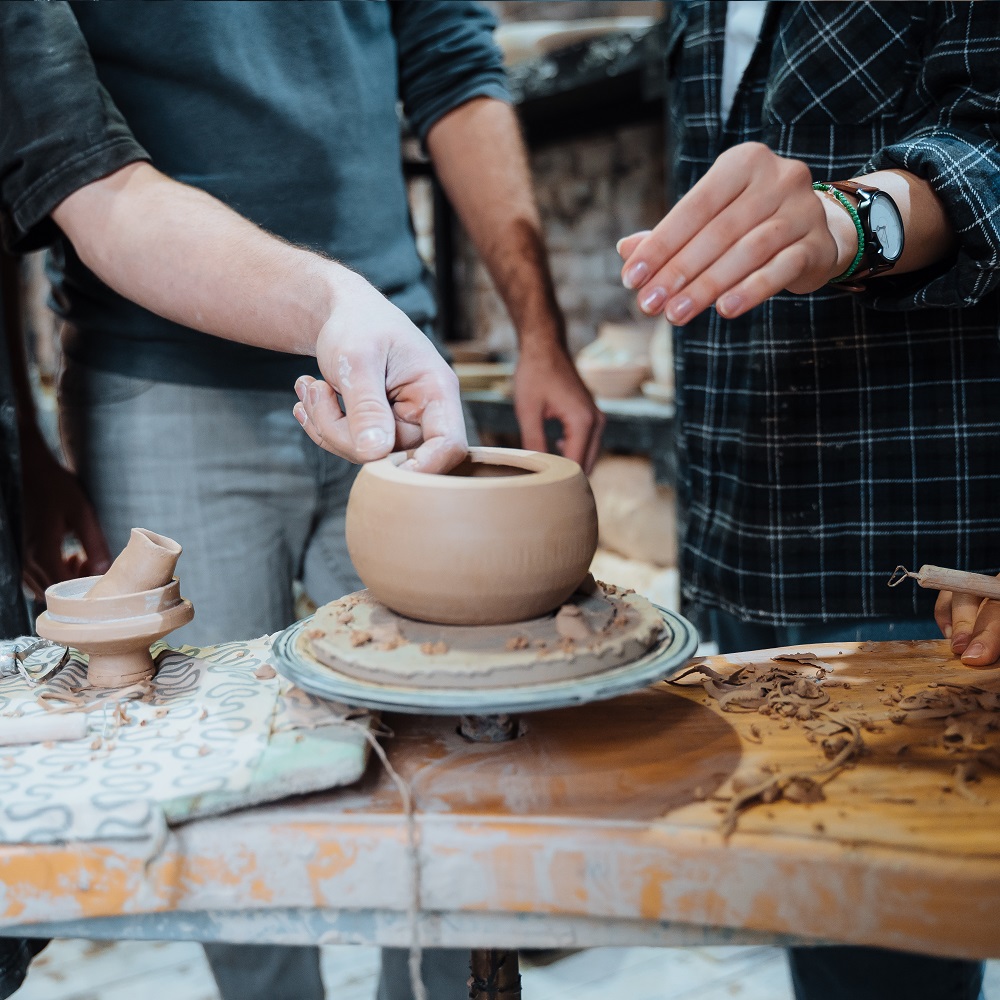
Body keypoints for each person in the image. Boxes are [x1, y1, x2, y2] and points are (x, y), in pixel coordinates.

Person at [7, 3, 603, 999]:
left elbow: (454, 63)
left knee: (451, 758)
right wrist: (23, 441)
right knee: (212, 783)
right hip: (161, 371)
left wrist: (539, 331)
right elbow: (61, 158)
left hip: (395, 354)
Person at [618, 2, 998, 998]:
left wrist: (850, 221)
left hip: (918, 548)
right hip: (744, 535)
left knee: (898, 958)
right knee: (823, 941)